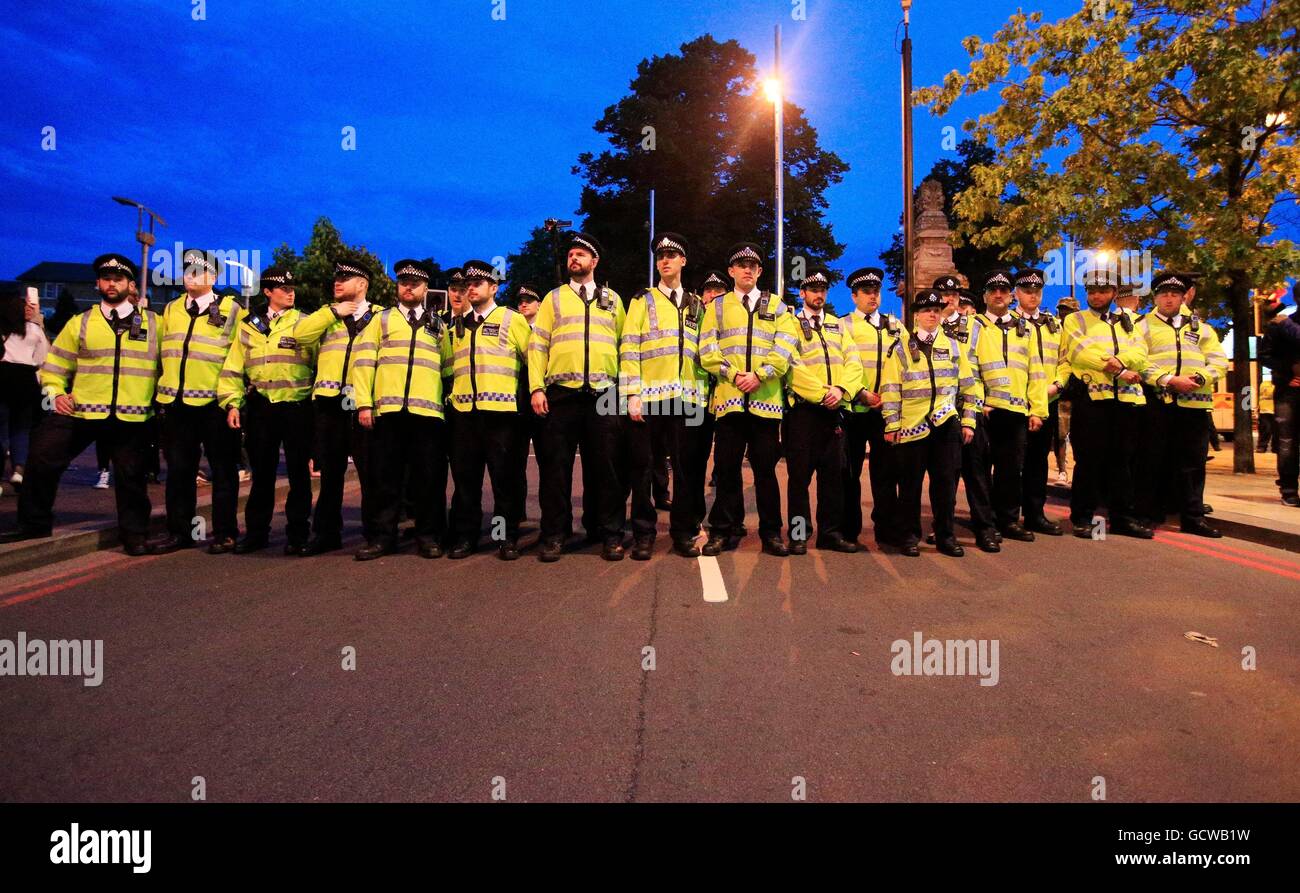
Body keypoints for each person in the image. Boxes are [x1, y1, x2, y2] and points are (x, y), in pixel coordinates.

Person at [1, 254, 160, 553]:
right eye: (106, 279)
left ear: (130, 285)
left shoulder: (154, 324)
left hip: (133, 414)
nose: (112, 284)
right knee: (42, 458)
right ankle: (33, 524)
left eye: (118, 279)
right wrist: (57, 394)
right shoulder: (81, 322)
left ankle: (135, 535)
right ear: (98, 283)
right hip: (83, 409)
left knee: (132, 477)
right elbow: (54, 365)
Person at [528, 233, 627, 562]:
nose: (574, 258)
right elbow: (538, 345)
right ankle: (555, 533)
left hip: (604, 394)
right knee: (555, 470)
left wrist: (625, 392)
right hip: (561, 395)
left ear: (594, 262)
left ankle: (608, 533)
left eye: (581, 254)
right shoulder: (553, 299)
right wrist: (536, 388)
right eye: (571, 254)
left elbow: (625, 347)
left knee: (607, 470)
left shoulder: (613, 299)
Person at [698, 243, 798, 557]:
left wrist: (761, 374)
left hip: (765, 403)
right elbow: (707, 349)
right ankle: (723, 530)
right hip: (729, 401)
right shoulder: (716, 306)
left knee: (765, 471)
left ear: (759, 271)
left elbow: (785, 348)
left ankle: (771, 533)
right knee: (726, 469)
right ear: (731, 271)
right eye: (741, 265)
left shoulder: (778, 306)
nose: (747, 270)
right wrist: (732, 373)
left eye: (752, 266)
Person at [350, 259, 453, 560]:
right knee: (385, 479)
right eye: (404, 282)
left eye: (416, 283)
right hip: (388, 412)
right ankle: (383, 538)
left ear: (425, 288)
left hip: (428, 416)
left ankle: (429, 536)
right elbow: (364, 363)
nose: (409, 287)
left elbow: (447, 369)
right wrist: (365, 404)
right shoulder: (380, 321)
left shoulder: (438, 325)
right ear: (397, 286)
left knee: (429, 480)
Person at [620, 233, 713, 558]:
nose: (665, 260)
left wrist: (705, 396)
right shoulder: (641, 301)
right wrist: (631, 394)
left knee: (687, 469)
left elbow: (706, 353)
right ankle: (644, 534)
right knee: (643, 469)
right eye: (660, 255)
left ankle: (683, 532)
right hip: (649, 398)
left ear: (683, 261)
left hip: (688, 400)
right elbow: (630, 346)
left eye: (672, 255)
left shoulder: (697, 304)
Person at [147, 248, 245, 555]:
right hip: (176, 404)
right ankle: (181, 532)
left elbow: (240, 358)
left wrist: (233, 401)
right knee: (179, 471)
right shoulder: (172, 309)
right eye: (187, 270)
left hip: (215, 405)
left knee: (224, 471)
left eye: (198, 271)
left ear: (213, 277)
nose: (190, 276)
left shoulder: (231, 310)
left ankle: (225, 533)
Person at [218, 265, 317, 553]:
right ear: (267, 292)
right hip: (262, 407)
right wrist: (232, 403)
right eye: (284, 289)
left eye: (292, 288)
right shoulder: (248, 325)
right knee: (262, 474)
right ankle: (256, 533)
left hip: (297, 406)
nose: (290, 293)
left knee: (299, 474)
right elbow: (233, 367)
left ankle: (298, 535)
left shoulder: (304, 322)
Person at [293, 257, 382, 554]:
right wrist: (333, 311)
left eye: (345, 278)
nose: (337, 282)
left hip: (362, 402)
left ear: (362, 284)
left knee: (371, 472)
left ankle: (375, 533)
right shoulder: (325, 315)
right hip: (330, 403)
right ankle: (326, 533)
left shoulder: (381, 316)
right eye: (336, 278)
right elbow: (299, 335)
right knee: (330, 473)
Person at [881, 289, 979, 557]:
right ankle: (909, 536)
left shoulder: (954, 346)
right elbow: (890, 389)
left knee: (946, 486)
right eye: (926, 310)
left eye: (936, 310)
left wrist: (968, 421)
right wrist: (891, 425)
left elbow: (969, 387)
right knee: (910, 486)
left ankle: (946, 536)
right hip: (912, 427)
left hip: (946, 424)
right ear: (917, 315)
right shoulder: (900, 348)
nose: (932, 315)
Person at [446, 260, 531, 560]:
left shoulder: (511, 319)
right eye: (467, 284)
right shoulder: (457, 325)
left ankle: (504, 538)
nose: (470, 288)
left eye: (478, 283)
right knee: (466, 482)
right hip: (465, 414)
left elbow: (532, 360)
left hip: (500, 414)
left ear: (493, 288)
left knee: (502, 482)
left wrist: (530, 400)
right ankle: (466, 538)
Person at [1058, 270, 1152, 538]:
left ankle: (1123, 518)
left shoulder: (1130, 320)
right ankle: (1082, 518)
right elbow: (1079, 352)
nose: (1096, 296)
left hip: (1125, 401)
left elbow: (1142, 353)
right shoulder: (1076, 320)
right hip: (1092, 399)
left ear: (1113, 293)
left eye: (1102, 291)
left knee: (1122, 461)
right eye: (1091, 291)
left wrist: (1121, 363)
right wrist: (1118, 368)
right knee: (1089, 460)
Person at [960, 269, 1049, 551]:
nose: (998, 295)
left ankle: (1008, 520)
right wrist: (978, 402)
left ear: (1011, 296)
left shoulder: (1025, 328)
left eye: (1003, 291)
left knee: (1011, 470)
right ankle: (984, 523)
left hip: (1017, 410)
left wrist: (1038, 410)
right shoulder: (973, 324)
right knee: (980, 471)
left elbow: (1035, 370)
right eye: (992, 291)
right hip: (985, 410)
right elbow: (969, 367)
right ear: (985, 295)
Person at [1135, 271, 1226, 536]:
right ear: (1156, 296)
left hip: (1194, 405)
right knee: (1151, 461)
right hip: (1158, 402)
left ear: (1183, 296)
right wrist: (1168, 379)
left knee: (1193, 464)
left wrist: (1200, 378)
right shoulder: (1143, 325)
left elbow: (1219, 362)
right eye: (1164, 294)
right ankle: (1148, 514)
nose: (1169, 298)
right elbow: (1139, 360)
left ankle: (1193, 517)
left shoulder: (1201, 327)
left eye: (1174, 294)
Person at [783, 266, 861, 553]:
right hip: (804, 412)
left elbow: (854, 362)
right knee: (799, 478)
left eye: (822, 290)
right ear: (802, 293)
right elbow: (791, 365)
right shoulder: (789, 324)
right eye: (813, 290)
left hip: (834, 409)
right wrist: (821, 394)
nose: (818, 294)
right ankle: (799, 535)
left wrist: (840, 390)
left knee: (833, 478)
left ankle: (830, 534)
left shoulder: (837, 325)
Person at [842, 267, 901, 548]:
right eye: (866, 292)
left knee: (886, 474)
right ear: (854, 296)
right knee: (849, 473)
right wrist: (860, 394)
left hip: (885, 413)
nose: (873, 296)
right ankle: (849, 530)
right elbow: (839, 367)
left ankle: (887, 530)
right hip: (855, 410)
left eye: (876, 291)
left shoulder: (895, 325)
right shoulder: (843, 326)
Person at [1014, 270, 1065, 535]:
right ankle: (1008, 516)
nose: (1032, 295)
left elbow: (1065, 361)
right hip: (1017, 402)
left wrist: (1058, 384)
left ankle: (1035, 514)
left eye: (1036, 291)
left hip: (1047, 400)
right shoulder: (1008, 323)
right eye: (1026, 291)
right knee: (1012, 462)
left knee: (1037, 461)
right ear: (1016, 294)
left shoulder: (1053, 324)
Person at [0, 284, 49, 495]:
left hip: (2, 377)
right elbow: (42, 357)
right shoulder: (34, 330)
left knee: (1, 429)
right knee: (22, 428)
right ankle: (19, 469)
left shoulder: (2, 331)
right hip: (26, 379)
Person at [1258, 289, 1300, 506]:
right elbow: (1265, 355)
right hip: (1289, 391)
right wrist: (1287, 374)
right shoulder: (1278, 325)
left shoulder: (1283, 324)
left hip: (1289, 388)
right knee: (1287, 442)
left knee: (1287, 441)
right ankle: (1289, 489)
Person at [1257, 372, 1275, 453]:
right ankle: (1262, 447)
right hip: (1265, 410)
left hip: (1276, 410)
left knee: (1277, 430)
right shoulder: (1264, 384)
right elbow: (1269, 394)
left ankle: (1275, 447)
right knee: (1266, 429)